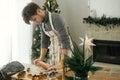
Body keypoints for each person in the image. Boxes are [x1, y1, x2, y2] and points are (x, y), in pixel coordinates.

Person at [22, 2, 72, 71]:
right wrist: (41, 59)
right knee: (53, 73)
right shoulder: (42, 23)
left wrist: (62, 63)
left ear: (39, 11)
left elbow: (65, 41)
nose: (35, 22)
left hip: (65, 51)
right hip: (54, 50)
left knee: (64, 73)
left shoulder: (56, 18)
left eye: (34, 19)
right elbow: (44, 42)